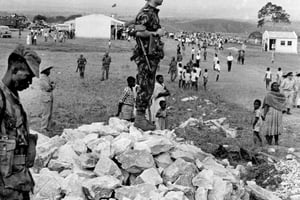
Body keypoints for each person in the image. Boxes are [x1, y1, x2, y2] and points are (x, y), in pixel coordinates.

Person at [0, 44, 41, 200]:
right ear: (15, 69)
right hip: (5, 189)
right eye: (28, 76)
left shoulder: (13, 98)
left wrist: (30, 141)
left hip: (17, 184)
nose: (30, 83)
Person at [129, 0, 165, 131]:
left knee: (149, 85)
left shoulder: (152, 13)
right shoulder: (146, 13)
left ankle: (141, 117)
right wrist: (156, 33)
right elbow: (138, 32)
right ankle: (139, 118)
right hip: (146, 56)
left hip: (151, 55)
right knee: (145, 85)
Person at [39, 66, 55, 136]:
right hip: (46, 96)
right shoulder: (43, 78)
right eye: (48, 70)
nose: (49, 72)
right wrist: (53, 85)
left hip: (48, 96)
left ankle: (47, 127)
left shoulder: (46, 77)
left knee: (49, 113)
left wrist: (52, 85)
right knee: (46, 113)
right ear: (45, 71)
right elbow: (48, 88)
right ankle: (43, 128)